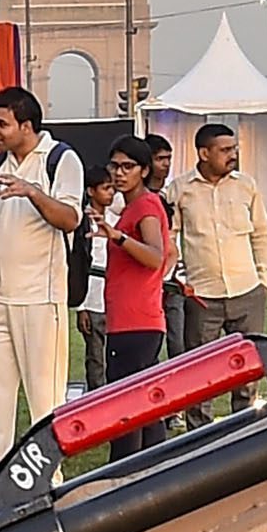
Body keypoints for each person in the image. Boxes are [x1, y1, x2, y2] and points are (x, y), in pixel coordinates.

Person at [0, 87, 86, 486]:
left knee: (44, 395)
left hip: (40, 296)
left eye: (2, 123)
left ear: (26, 126)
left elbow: (70, 219)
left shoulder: (61, 159)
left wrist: (33, 191)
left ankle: (46, 477)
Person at [171, 120, 267, 344]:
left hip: (247, 291)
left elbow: (262, 234)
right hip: (202, 296)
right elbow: (169, 238)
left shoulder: (246, 185)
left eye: (234, 149)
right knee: (202, 371)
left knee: (249, 368)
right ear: (204, 153)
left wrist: (264, 279)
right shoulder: (179, 189)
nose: (233, 155)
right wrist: (181, 281)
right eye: (225, 150)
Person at [91, 142, 175, 392]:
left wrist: (119, 237)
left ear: (145, 171)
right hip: (131, 321)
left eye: (128, 167)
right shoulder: (133, 207)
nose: (119, 173)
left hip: (136, 323)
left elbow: (155, 257)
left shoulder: (144, 206)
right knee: (142, 408)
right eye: (115, 166)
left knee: (129, 406)